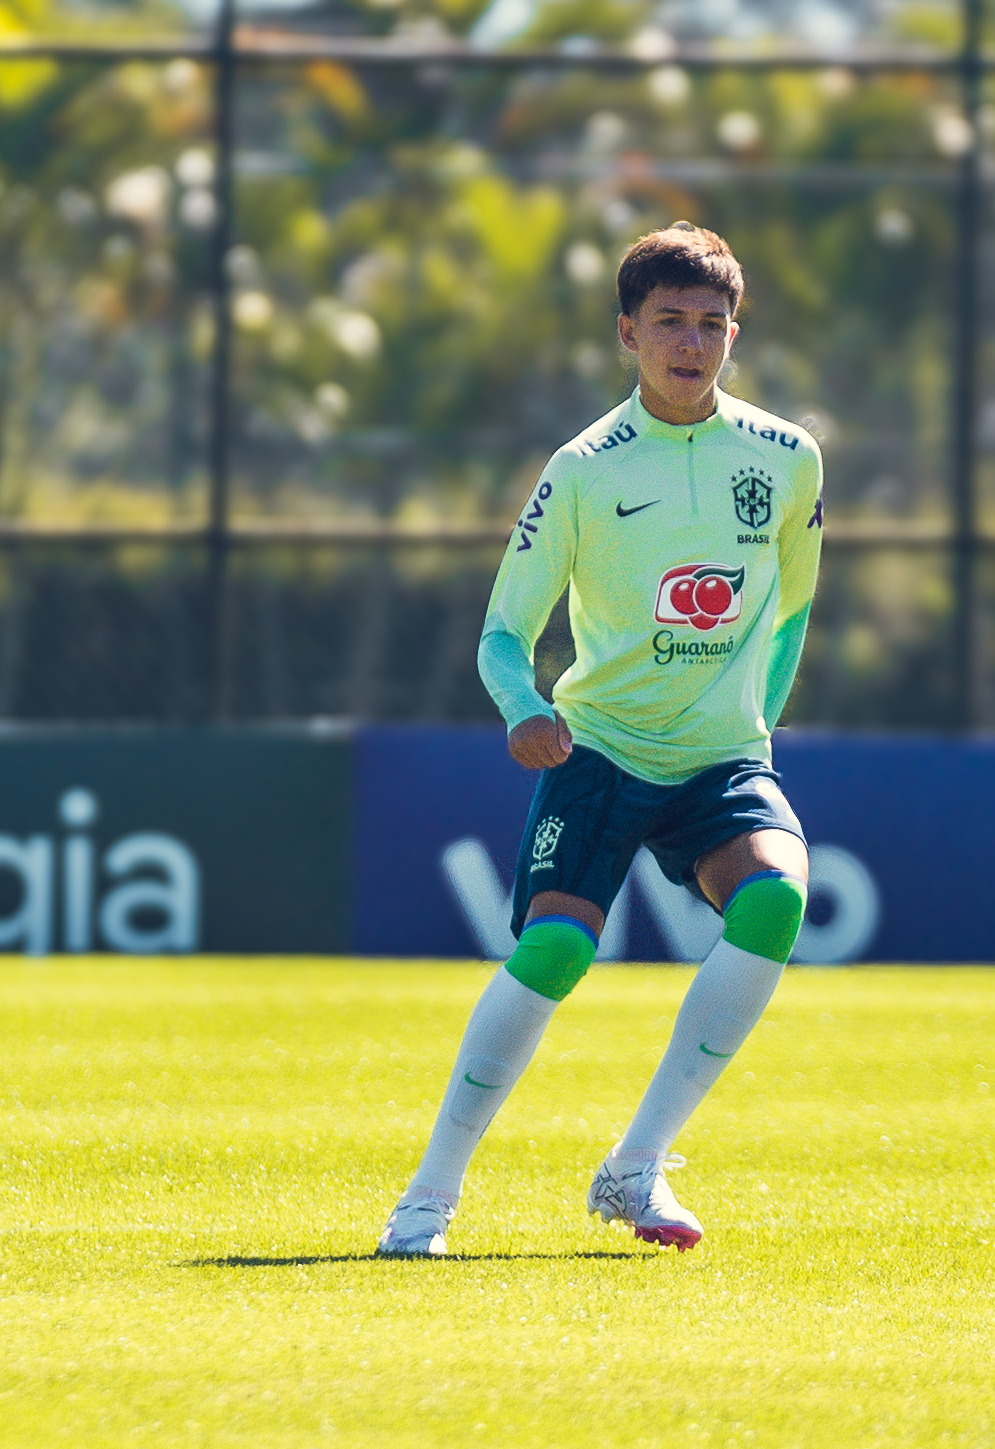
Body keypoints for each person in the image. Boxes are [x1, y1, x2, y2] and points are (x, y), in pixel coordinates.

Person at [377, 222, 824, 1256]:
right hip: (600, 753)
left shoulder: (787, 458)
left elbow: (794, 606)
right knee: (556, 948)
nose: (691, 341)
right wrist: (525, 711)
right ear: (627, 332)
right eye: (668, 321)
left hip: (720, 757)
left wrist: (760, 717)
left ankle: (635, 1168)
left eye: (711, 324)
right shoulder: (581, 468)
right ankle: (427, 1202)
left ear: (733, 335)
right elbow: (500, 634)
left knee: (775, 901)